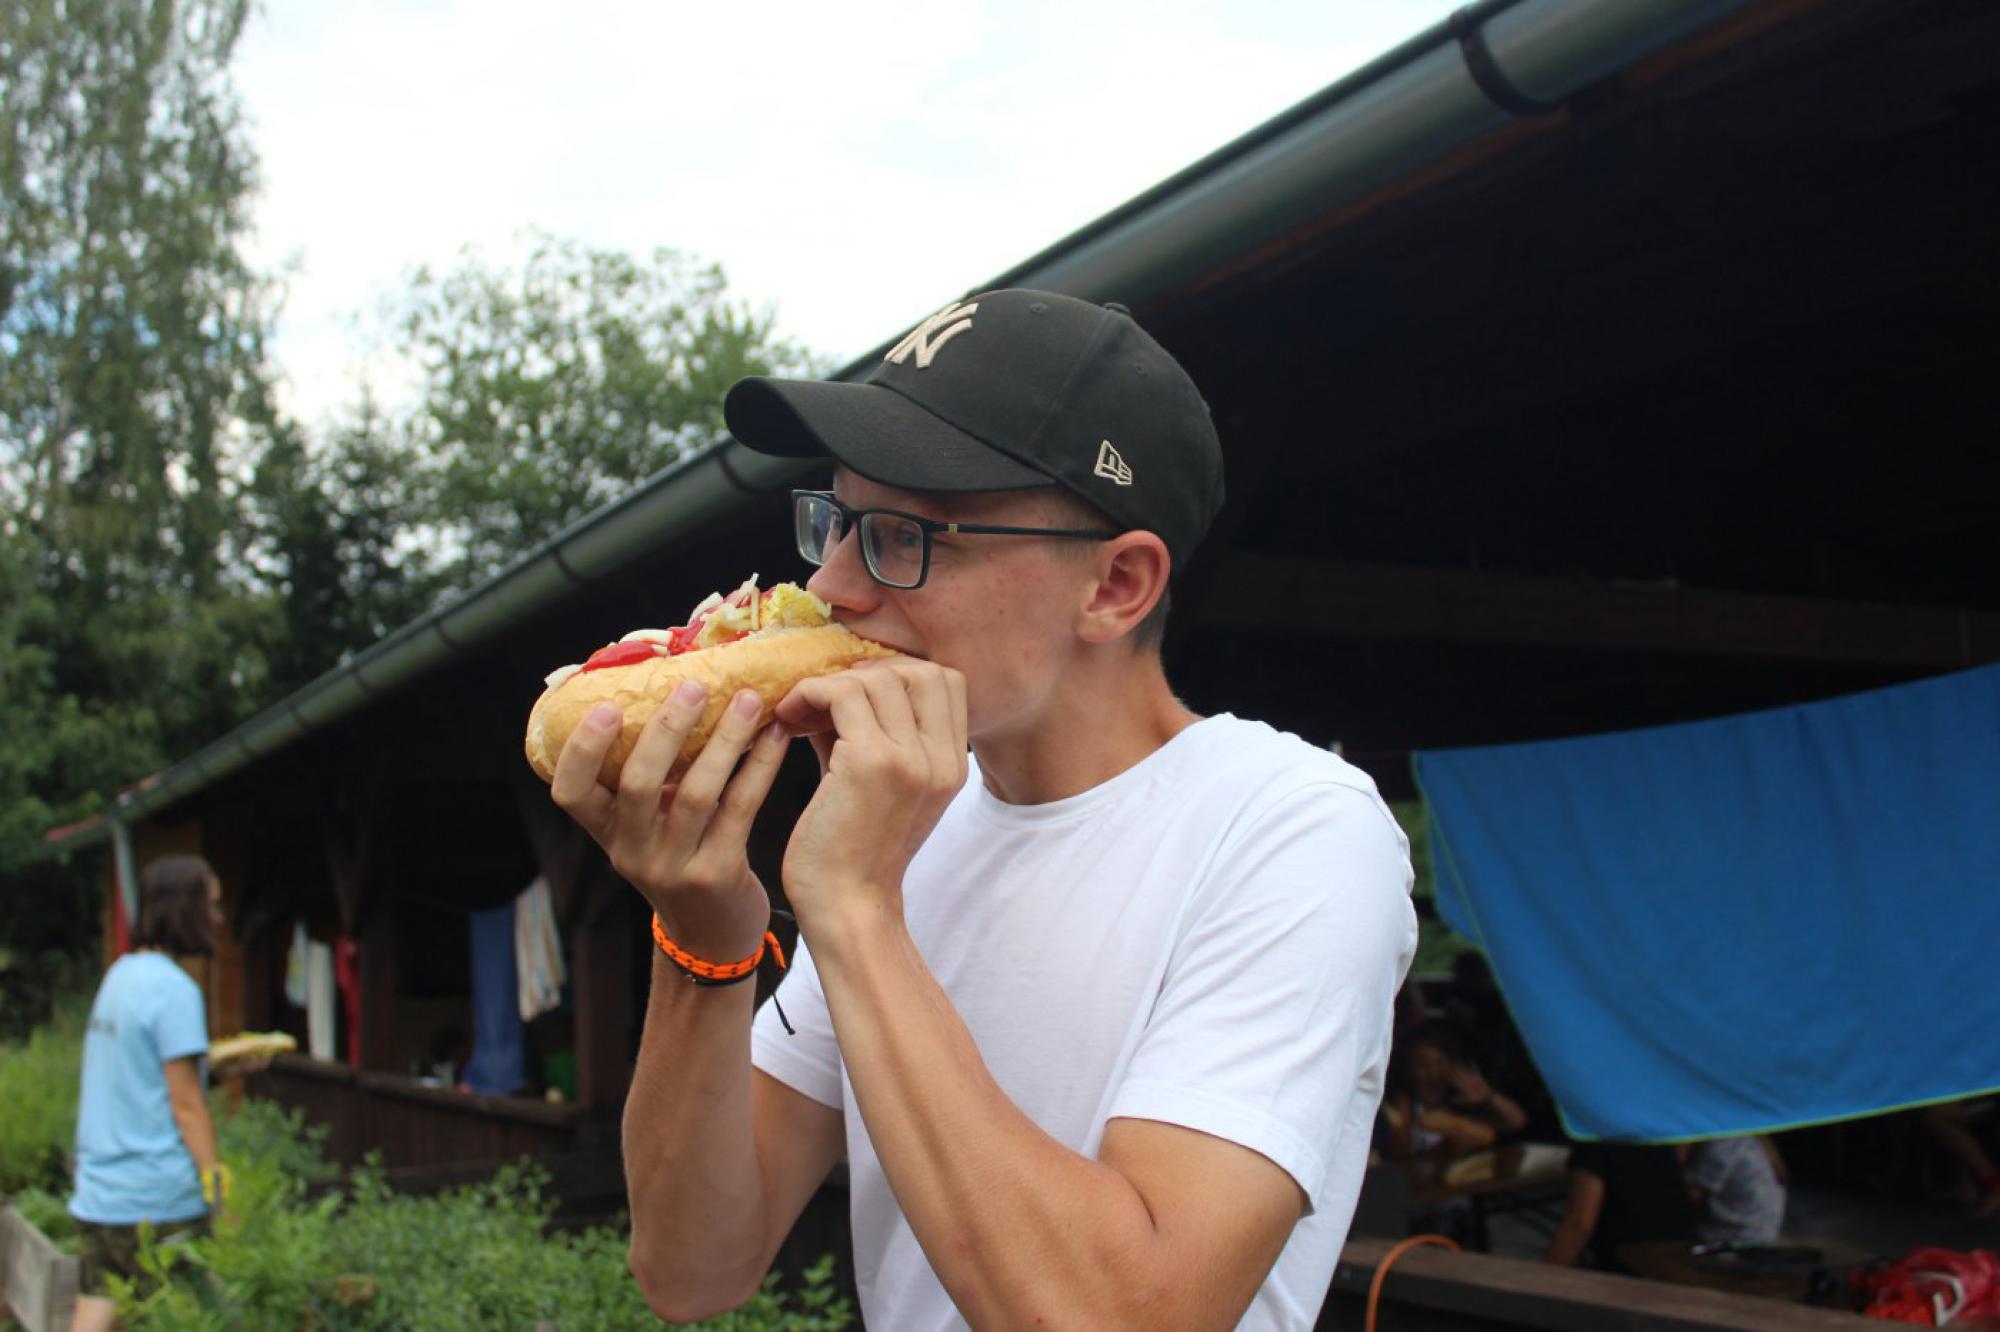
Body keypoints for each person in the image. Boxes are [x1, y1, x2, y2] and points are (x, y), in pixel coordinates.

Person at [550, 289, 1418, 1329]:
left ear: (1115, 585)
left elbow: (1122, 1318)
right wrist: (703, 939)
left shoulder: (1293, 827)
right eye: (835, 521)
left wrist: (856, 907)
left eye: (902, 535)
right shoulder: (908, 825)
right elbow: (692, 1272)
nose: (831, 586)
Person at [67, 855, 228, 1332]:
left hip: (102, 1192)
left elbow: (138, 1072)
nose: (219, 919)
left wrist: (216, 1068)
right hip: (159, 1196)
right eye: (212, 905)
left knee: (96, 1307)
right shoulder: (176, 990)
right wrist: (219, 1188)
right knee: (191, 1319)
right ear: (186, 909)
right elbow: (187, 1106)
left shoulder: (120, 975)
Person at [1542, 1140, 1697, 1273]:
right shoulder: (1659, 1141)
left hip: (1632, 1270)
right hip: (1676, 1262)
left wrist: (1543, 1281)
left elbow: (1578, 1226)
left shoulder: (1596, 1145)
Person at [1379, 1027, 1528, 1160]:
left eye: (1439, 1063)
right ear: (1410, 1071)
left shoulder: (1461, 1101)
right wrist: (1444, 1150)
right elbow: (1398, 1157)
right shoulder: (1406, 1105)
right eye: (1422, 1066)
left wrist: (1489, 1096)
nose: (1433, 1072)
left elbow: (1516, 1123)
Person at [1684, 1136, 1787, 1243]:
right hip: (1763, 1232)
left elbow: (1692, 1195)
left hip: (1738, 1236)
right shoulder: (1751, 1140)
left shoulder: (1723, 1143)